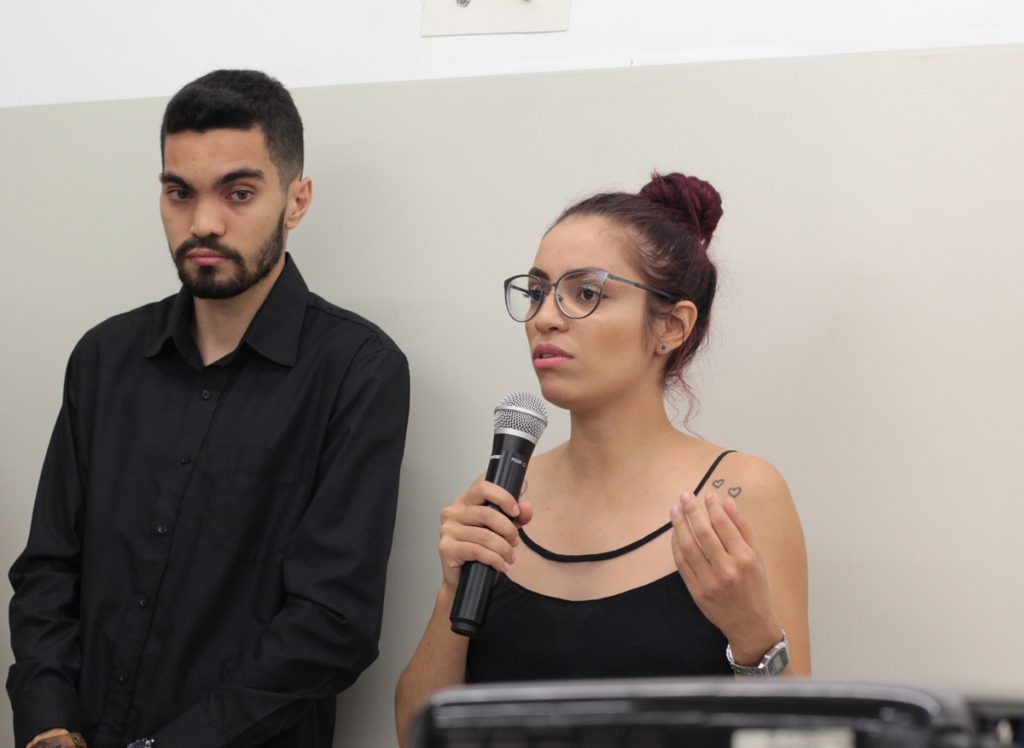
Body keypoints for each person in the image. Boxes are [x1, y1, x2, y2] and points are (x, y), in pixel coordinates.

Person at [7, 70, 410, 748]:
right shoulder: (104, 358)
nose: (203, 223)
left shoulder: (358, 370)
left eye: (239, 193)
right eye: (180, 193)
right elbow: (48, 569)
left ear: (297, 200)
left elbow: (332, 623)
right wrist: (47, 721)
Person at [395, 171, 809, 746]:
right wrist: (451, 593)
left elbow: (802, 739)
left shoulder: (740, 495)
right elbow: (416, 734)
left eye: (586, 293)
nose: (545, 317)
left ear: (671, 326)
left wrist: (754, 635)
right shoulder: (503, 496)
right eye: (537, 292)